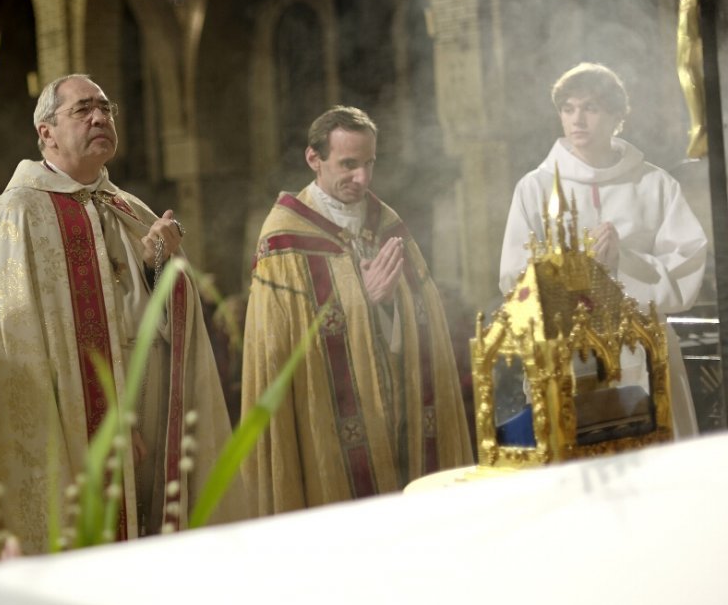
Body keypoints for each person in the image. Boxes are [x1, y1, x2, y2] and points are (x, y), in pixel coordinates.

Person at [0, 74, 246, 554]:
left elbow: (167, 319)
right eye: (82, 110)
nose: (100, 117)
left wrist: (160, 267)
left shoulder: (130, 209)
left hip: (156, 410)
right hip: (75, 425)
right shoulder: (16, 216)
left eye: (105, 107)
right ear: (46, 133)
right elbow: (18, 349)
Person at [242, 106, 473, 515]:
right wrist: (358, 301)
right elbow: (277, 349)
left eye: (369, 164)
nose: (362, 179)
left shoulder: (386, 222)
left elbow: (427, 317)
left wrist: (388, 306)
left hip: (401, 418)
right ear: (314, 159)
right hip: (326, 424)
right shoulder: (283, 238)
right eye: (348, 165)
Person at [499, 62, 706, 436]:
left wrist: (622, 262)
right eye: (568, 108)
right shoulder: (535, 188)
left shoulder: (653, 183)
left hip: (644, 345)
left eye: (591, 108)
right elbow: (514, 278)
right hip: (567, 350)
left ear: (616, 117)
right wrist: (575, 270)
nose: (577, 119)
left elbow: (686, 263)